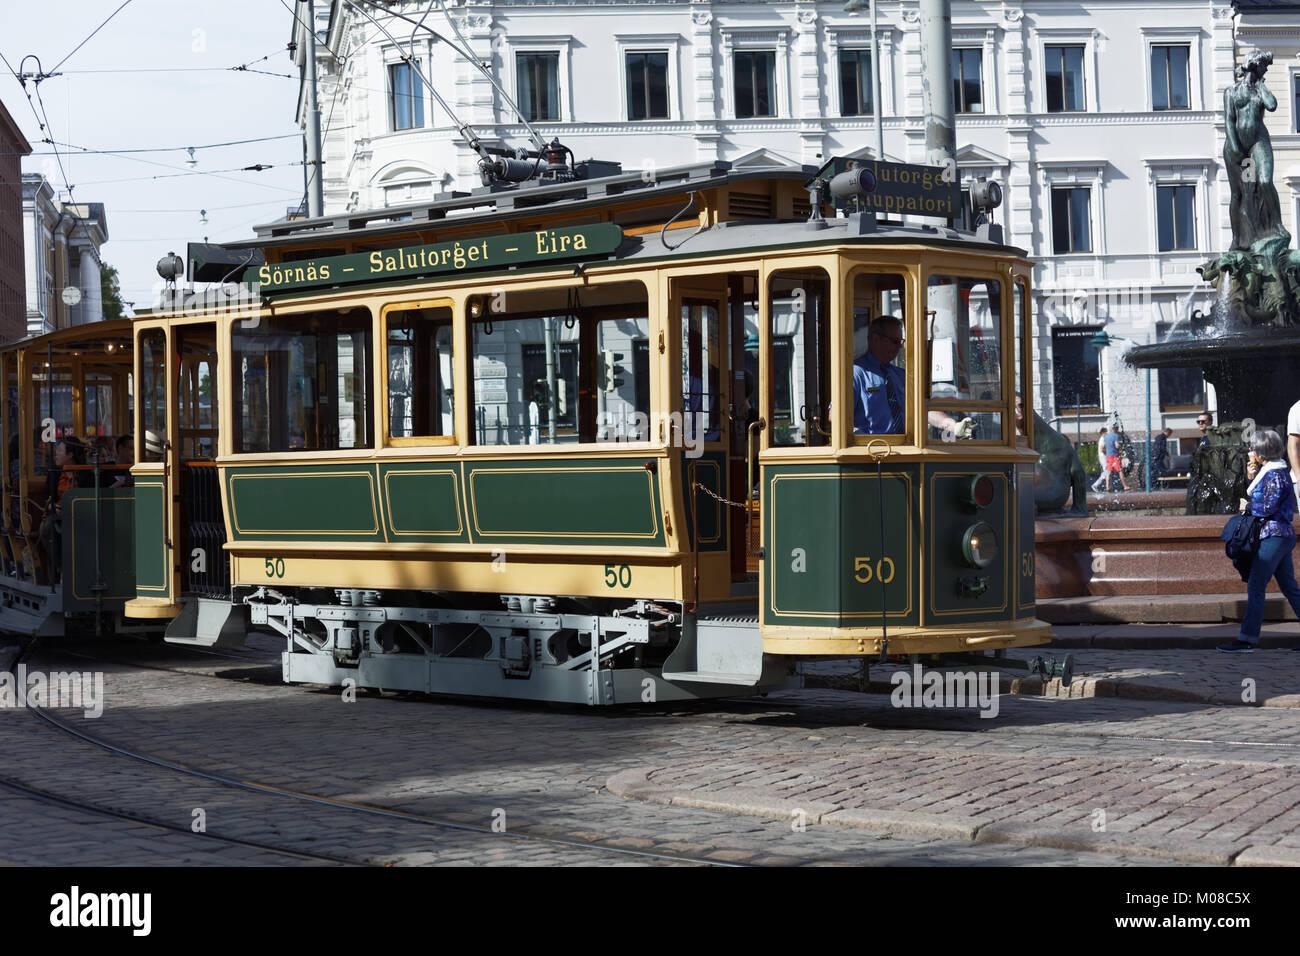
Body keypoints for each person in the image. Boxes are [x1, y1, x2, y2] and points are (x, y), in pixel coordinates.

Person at [1219, 430, 1300, 652]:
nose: (1250, 451)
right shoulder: (1272, 471)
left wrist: (1247, 507)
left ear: (1262, 452)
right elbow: (1264, 497)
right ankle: (1247, 638)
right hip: (1280, 536)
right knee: (1290, 588)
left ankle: (1247, 639)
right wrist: (1251, 476)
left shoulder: (1275, 474)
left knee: (1256, 586)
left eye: (1253, 448)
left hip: (1273, 537)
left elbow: (1267, 507)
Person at [852, 315, 971, 438]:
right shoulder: (856, 374)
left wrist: (952, 425)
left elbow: (922, 410)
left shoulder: (901, 376)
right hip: (872, 451)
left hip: (906, 449)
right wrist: (860, 439)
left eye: (901, 341)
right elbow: (836, 415)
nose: (899, 346)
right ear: (876, 339)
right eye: (894, 341)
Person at [38, 437, 88, 582]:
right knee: (47, 528)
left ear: (71, 455)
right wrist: (53, 507)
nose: (56, 454)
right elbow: (47, 499)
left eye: (59, 450)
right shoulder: (54, 473)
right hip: (59, 515)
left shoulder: (86, 473)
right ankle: (63, 569)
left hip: (83, 515)